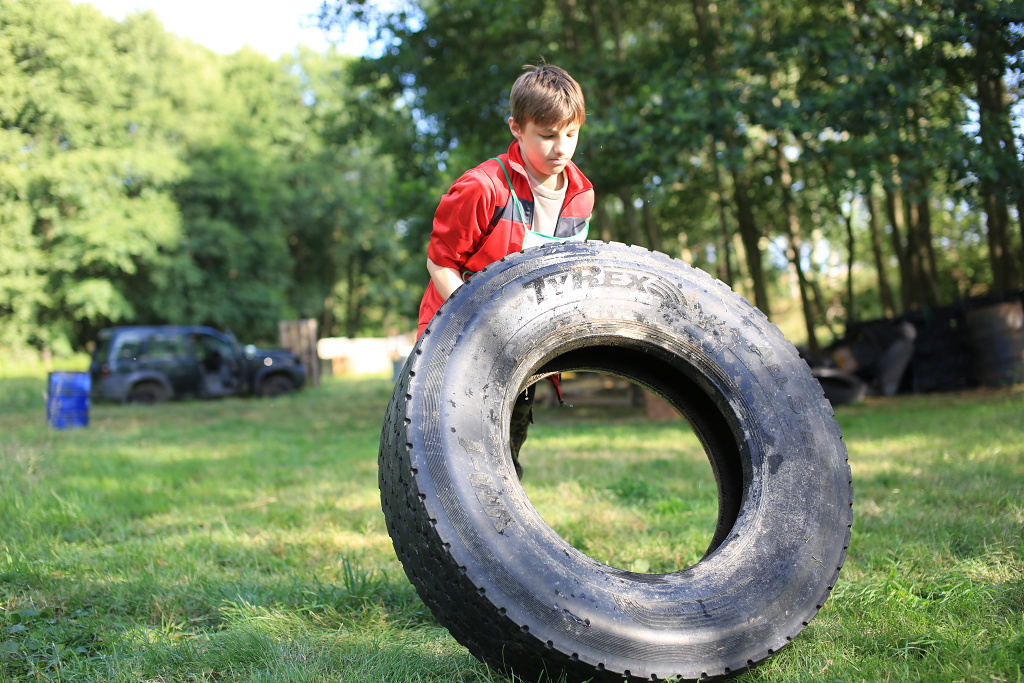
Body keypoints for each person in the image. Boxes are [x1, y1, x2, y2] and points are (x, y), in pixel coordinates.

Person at [416, 64, 596, 478]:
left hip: (521, 345)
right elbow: (440, 262)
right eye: (547, 135)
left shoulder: (582, 195)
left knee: (503, 461)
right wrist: (479, 320)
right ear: (517, 128)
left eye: (571, 134)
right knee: (451, 460)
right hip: (459, 338)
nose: (561, 148)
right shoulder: (483, 188)